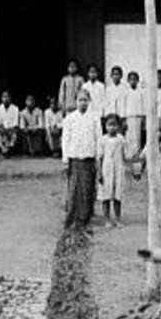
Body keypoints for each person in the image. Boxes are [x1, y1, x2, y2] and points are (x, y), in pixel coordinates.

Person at [61, 89, 101, 228]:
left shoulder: (95, 118)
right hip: (74, 159)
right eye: (80, 100)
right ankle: (72, 216)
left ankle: (85, 217)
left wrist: (98, 158)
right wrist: (65, 160)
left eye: (85, 100)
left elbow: (98, 139)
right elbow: (65, 140)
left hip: (89, 159)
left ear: (89, 101)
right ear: (76, 101)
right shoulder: (70, 119)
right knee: (73, 189)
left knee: (87, 189)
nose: (82, 103)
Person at [97, 114, 130, 228]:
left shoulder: (121, 139)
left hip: (118, 169)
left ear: (118, 126)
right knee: (106, 196)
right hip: (106, 169)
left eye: (114, 125)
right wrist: (99, 173)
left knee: (117, 196)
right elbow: (100, 157)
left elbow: (125, 155)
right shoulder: (102, 140)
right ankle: (107, 219)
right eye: (109, 125)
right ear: (105, 126)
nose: (112, 128)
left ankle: (118, 218)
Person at [122, 71, 145, 155]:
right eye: (131, 79)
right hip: (129, 117)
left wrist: (143, 118)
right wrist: (124, 119)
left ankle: (137, 155)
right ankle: (129, 155)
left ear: (138, 81)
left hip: (138, 117)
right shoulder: (125, 92)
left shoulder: (140, 93)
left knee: (137, 138)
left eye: (135, 79)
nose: (133, 81)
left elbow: (143, 106)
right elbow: (123, 106)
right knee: (129, 137)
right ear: (128, 81)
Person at [0, 92, 21, 158]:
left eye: (7, 97)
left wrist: (8, 129)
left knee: (14, 133)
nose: (6, 99)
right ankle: (4, 149)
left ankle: (6, 150)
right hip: (2, 130)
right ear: (2, 98)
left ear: (10, 98)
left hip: (11, 129)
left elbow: (15, 123)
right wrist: (2, 128)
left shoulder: (15, 108)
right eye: (4, 97)